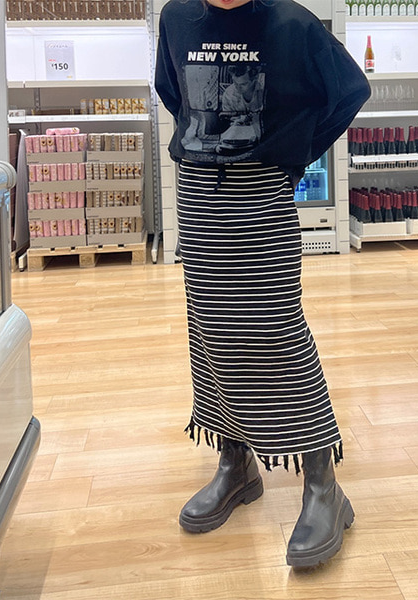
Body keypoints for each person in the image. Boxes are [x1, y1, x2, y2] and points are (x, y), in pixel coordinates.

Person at [155, 0, 370, 568]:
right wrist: (206, 142)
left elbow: (349, 91)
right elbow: (173, 93)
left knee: (274, 329)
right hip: (197, 193)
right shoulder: (176, 18)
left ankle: (324, 484)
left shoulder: (291, 23)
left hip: (260, 192)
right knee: (211, 328)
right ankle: (235, 462)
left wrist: (291, 154)